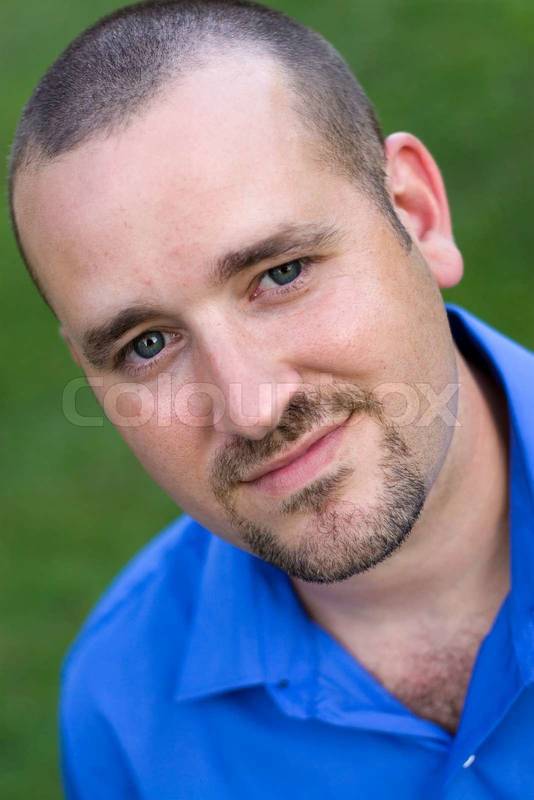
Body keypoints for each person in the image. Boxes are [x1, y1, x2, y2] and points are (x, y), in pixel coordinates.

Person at [8, 0, 533, 797]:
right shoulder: (122, 708)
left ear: (418, 216)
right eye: (147, 344)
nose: (251, 408)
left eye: (280, 274)